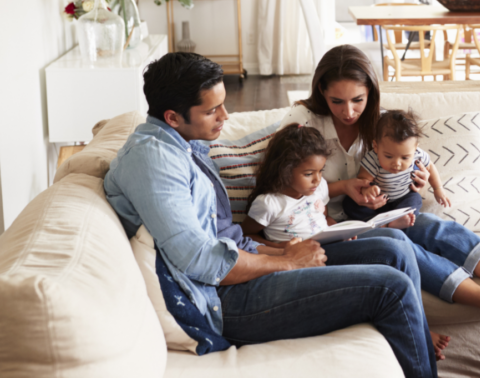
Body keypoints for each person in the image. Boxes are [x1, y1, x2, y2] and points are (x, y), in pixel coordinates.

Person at [103, 52, 437, 377]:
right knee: (390, 288)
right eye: (212, 110)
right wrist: (288, 261)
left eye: (222, 104)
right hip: (224, 300)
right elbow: (201, 260)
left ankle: (417, 338)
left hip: (244, 266)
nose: (225, 116)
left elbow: (225, 236)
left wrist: (283, 249)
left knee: (393, 244)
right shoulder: (153, 161)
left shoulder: (183, 144)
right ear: (173, 117)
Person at [272, 45, 480, 329]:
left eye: (358, 100)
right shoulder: (303, 120)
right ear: (321, 90)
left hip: (377, 214)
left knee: (433, 226)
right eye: (337, 101)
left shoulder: (380, 125)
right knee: (402, 245)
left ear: (371, 93)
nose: (349, 112)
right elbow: (283, 182)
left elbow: (411, 163)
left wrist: (415, 183)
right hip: (329, 227)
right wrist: (344, 187)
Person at [239, 123, 451, 358]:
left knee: (397, 240)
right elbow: (246, 235)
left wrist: (335, 228)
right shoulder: (269, 203)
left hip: (331, 245)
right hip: (303, 261)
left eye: (320, 172)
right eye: (309, 174)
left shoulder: (317, 188)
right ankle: (417, 332)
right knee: (390, 262)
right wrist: (280, 249)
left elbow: (323, 216)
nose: (317, 180)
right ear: (284, 170)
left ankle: (418, 326)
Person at [342, 109, 449, 226]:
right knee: (349, 203)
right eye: (388, 156)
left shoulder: (418, 155)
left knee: (415, 199)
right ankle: (377, 222)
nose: (397, 163)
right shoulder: (373, 159)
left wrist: (438, 188)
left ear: (415, 148)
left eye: (405, 158)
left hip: (402, 198)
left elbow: (430, 167)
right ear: (376, 146)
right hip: (376, 203)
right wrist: (367, 190)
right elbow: (362, 180)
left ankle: (398, 219)